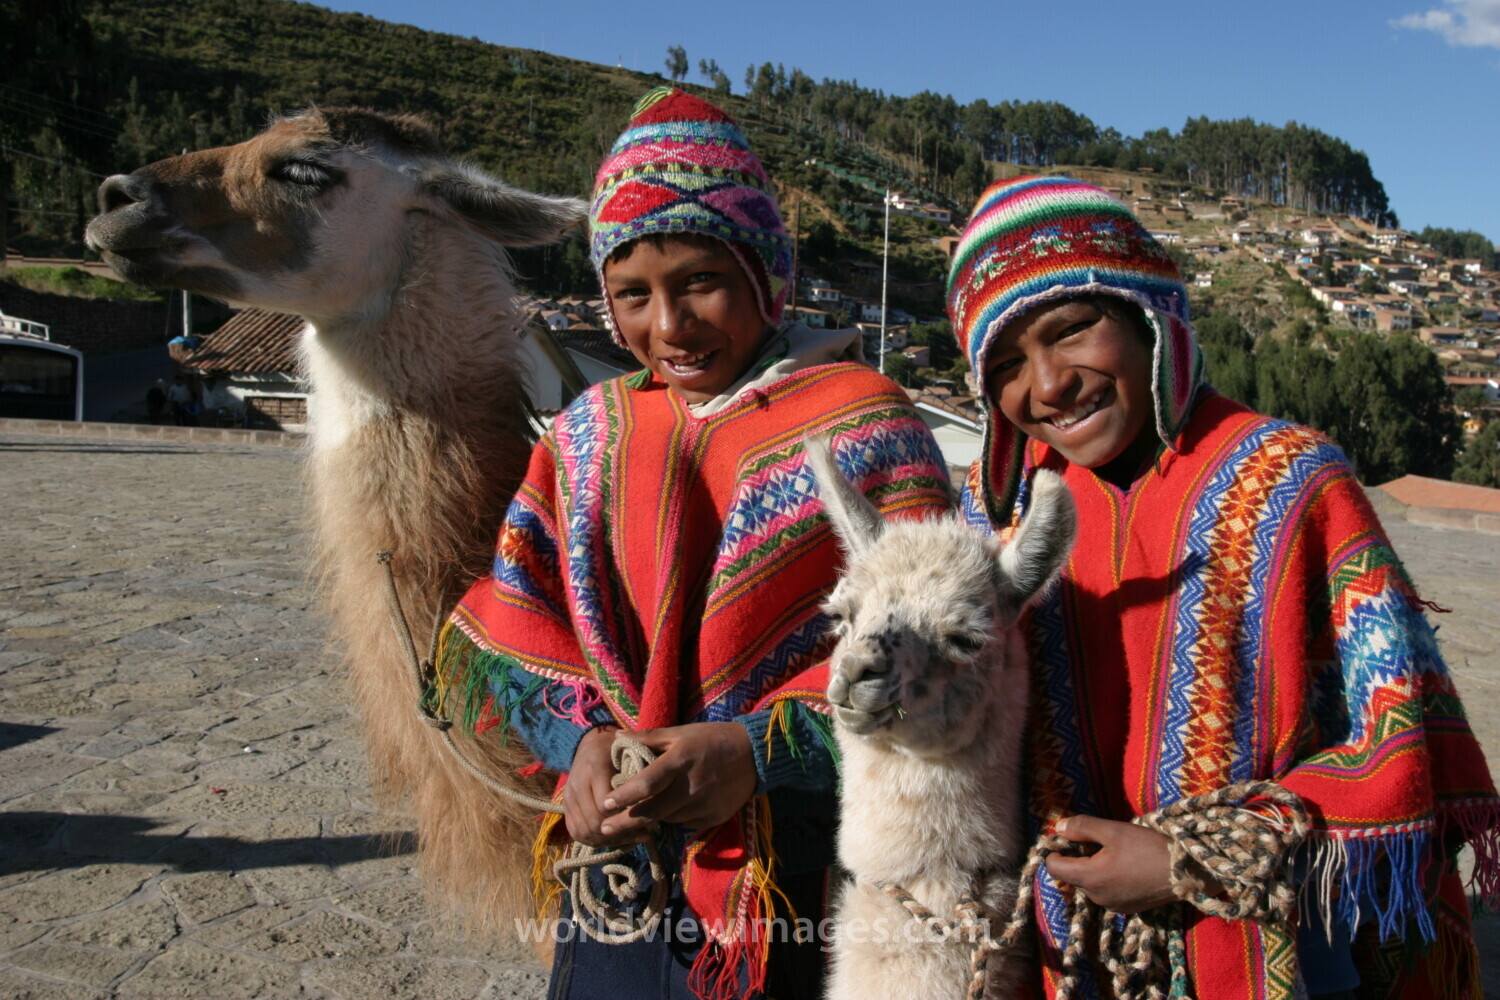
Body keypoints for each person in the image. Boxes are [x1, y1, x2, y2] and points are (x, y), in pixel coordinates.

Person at [434, 87, 951, 1000]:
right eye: (632, 294)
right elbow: (514, 620)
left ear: (764, 273)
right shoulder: (588, 435)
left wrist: (757, 750)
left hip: (797, 873)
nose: (667, 326)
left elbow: (932, 654)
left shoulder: (864, 424)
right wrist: (580, 740)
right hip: (620, 877)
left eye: (700, 283)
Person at [945, 175, 1500, 1000]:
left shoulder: (1291, 483)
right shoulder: (1000, 517)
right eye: (1007, 365)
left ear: (1148, 315)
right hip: (1068, 952)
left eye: (1071, 331)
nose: (1048, 384)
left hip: (1272, 945)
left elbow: (1397, 738)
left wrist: (1188, 860)